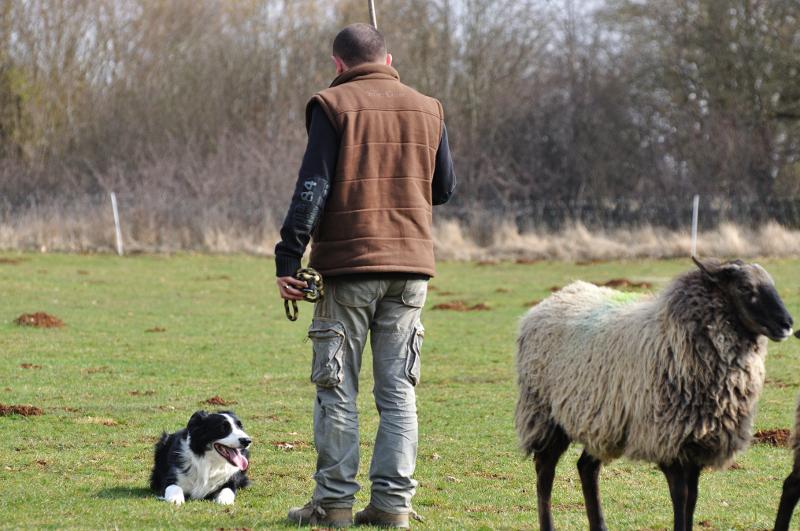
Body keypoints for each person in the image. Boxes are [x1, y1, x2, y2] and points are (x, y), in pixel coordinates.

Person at [275, 23, 456, 529]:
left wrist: (288, 258)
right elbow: (443, 188)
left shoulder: (330, 106)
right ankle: (392, 506)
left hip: (350, 270)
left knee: (337, 390)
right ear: (390, 56)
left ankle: (333, 506)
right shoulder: (430, 108)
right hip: (412, 273)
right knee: (399, 394)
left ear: (337, 65)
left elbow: (313, 186)